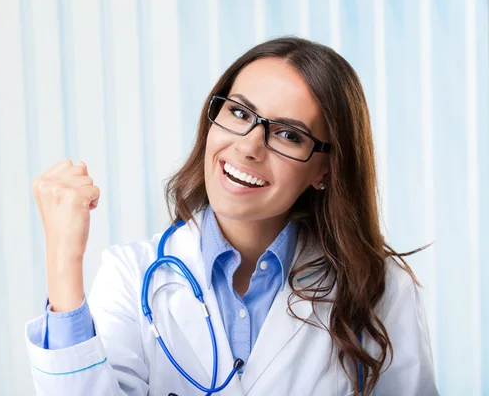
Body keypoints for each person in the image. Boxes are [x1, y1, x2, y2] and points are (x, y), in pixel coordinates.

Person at [25, 37, 439, 395]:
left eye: (289, 134)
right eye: (240, 113)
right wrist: (64, 260)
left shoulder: (381, 289)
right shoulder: (131, 276)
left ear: (325, 170)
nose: (248, 147)